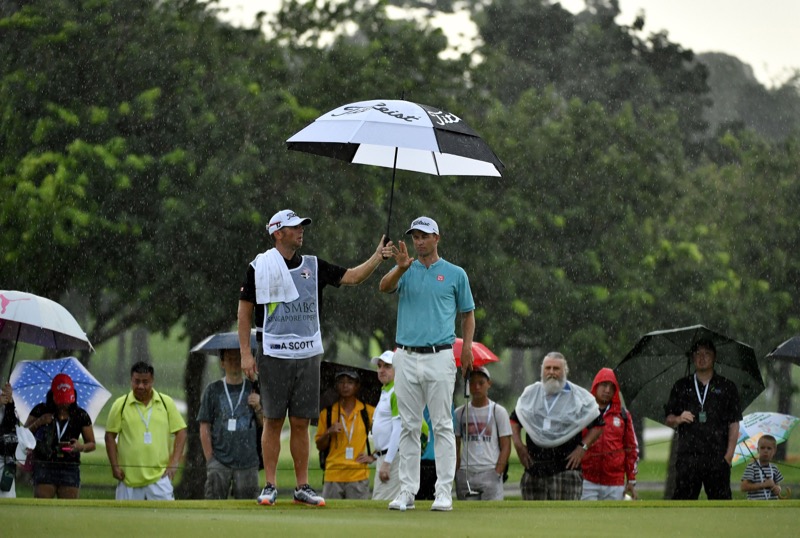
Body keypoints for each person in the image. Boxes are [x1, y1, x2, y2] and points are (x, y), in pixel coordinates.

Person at [238, 208, 391, 507]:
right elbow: (244, 310)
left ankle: (301, 487)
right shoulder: (260, 266)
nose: (301, 231)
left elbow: (352, 277)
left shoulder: (313, 265)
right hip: (272, 353)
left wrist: (377, 257)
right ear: (278, 233)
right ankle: (269, 486)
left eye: (302, 226)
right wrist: (245, 353)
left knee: (299, 422)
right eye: (295, 227)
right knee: (272, 420)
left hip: (308, 355)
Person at [380, 216, 476, 512]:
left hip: (440, 355)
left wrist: (468, 348)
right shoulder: (405, 270)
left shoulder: (455, 274)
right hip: (405, 356)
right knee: (408, 426)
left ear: (437, 237)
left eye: (424, 236)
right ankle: (407, 491)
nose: (418, 241)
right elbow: (384, 287)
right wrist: (399, 266)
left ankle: (443, 492)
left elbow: (467, 314)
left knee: (442, 425)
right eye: (415, 236)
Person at [510, 352, 603, 501]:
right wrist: (518, 444)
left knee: (565, 521)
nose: (551, 372)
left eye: (556, 368)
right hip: (534, 470)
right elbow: (514, 420)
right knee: (532, 522)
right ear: (542, 371)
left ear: (565, 371)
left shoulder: (579, 397)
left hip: (566, 471)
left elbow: (598, 424)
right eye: (548, 368)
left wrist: (582, 448)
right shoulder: (531, 394)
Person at [665, 338, 741, 500]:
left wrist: (728, 457)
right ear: (692, 358)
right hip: (688, 457)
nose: (702, 357)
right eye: (698, 353)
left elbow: (734, 424)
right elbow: (669, 419)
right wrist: (679, 418)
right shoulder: (682, 386)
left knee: (721, 505)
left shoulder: (727, 387)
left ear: (714, 357)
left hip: (717, 457)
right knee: (683, 504)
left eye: (707, 353)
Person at [105, 361, 187, 501]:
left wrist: (174, 462)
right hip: (128, 481)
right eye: (136, 382)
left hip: (159, 479)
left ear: (152, 381)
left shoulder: (165, 402)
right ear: (131, 380)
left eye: (145, 382)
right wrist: (115, 467)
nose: (141, 386)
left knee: (165, 521)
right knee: (126, 522)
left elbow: (181, 432)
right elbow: (109, 437)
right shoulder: (120, 404)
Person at [198, 348, 263, 500]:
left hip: (248, 462)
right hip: (219, 462)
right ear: (222, 363)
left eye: (238, 358)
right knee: (214, 506)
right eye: (229, 358)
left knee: (249, 512)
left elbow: (267, 427)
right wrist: (210, 460)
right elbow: (204, 426)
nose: (234, 362)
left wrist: (259, 407)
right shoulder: (212, 390)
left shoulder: (255, 388)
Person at [24, 374, 96, 499]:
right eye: (60, 401)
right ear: (52, 396)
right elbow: (23, 435)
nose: (64, 405)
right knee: (42, 507)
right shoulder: (41, 410)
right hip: (44, 464)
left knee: (69, 511)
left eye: (67, 401)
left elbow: (92, 444)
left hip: (69, 467)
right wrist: (39, 422)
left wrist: (80, 447)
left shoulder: (80, 415)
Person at [314, 370, 375, 499]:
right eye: (341, 382)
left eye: (350, 382)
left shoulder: (367, 411)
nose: (345, 386)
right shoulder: (328, 413)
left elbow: (388, 433)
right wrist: (329, 432)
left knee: (358, 516)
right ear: (336, 386)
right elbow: (320, 445)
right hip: (333, 475)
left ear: (357, 386)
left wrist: (374, 456)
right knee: (331, 517)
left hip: (358, 476)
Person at [580, 367, 639, 501]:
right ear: (596, 385)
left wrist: (631, 479)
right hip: (587, 481)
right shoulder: (583, 412)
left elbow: (631, 448)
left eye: (612, 387)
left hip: (615, 483)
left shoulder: (623, 415)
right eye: (604, 385)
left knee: (613, 520)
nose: (607, 390)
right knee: (588, 520)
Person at [454, 366, 512, 501]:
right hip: (466, 471)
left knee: (492, 515)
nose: (477, 387)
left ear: (489, 384)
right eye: (473, 383)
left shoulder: (498, 411)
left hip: (490, 469)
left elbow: (506, 445)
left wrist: (498, 471)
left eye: (481, 383)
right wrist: (457, 472)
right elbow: (456, 446)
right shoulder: (460, 413)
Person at [369, 350, 402, 501]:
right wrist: (376, 456)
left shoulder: (395, 392)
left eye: (387, 366)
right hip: (385, 456)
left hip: (393, 458)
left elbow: (398, 429)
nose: (381, 370)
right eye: (379, 366)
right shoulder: (386, 391)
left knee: (382, 503)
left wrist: (387, 462)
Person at [741, 435, 784, 500]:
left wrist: (778, 489)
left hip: (772, 507)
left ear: (774, 451)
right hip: (755, 506)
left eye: (769, 448)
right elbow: (744, 487)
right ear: (758, 450)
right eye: (762, 448)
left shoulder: (774, 468)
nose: (765, 451)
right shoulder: (752, 467)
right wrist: (764, 484)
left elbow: (777, 485)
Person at [1, 382, 19, 498]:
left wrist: (10, 403)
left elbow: (11, 425)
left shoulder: (3, 395)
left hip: (6, 457)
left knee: (7, 497)